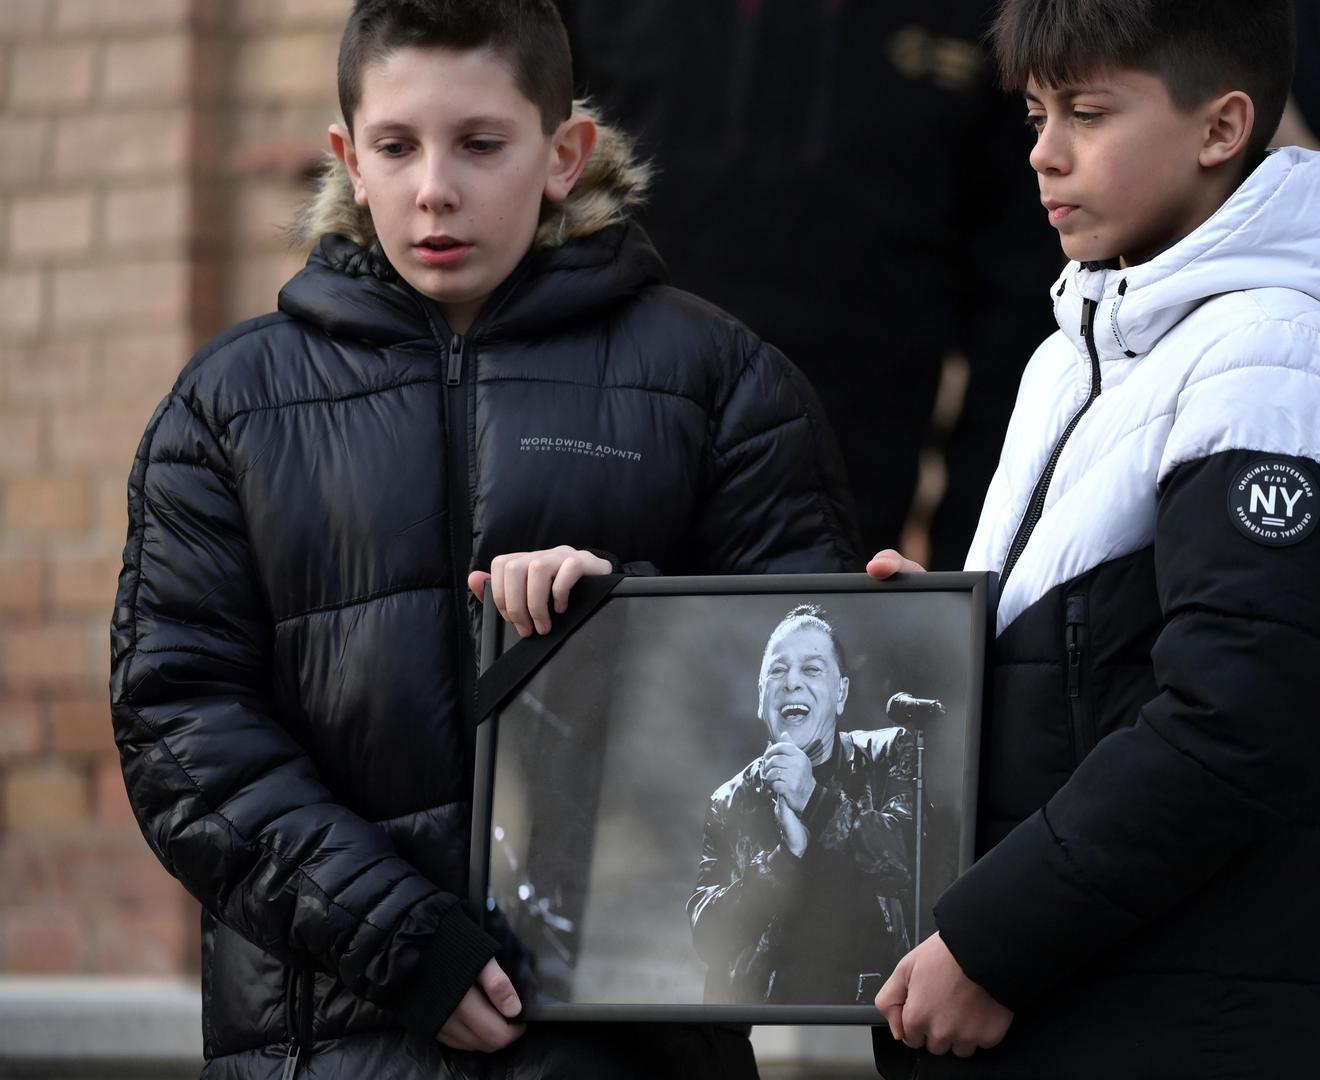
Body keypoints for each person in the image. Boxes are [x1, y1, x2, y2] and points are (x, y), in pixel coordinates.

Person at [107, 1, 858, 1077]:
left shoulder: (721, 382)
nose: (434, 189)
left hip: (626, 1054)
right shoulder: (228, 407)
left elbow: (815, 688)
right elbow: (178, 727)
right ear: (348, 161)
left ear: (565, 154)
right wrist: (399, 943)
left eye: (479, 144)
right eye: (396, 147)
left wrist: (635, 618)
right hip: (329, 1043)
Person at [865, 0, 1320, 1074]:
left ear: (1221, 128)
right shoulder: (1078, 346)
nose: (1044, 152)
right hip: (1076, 1001)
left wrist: (989, 946)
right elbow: (1097, 665)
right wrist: (949, 642)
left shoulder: (1279, 359)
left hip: (1168, 1023)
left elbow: (1237, 717)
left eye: (1087, 113)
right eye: (1035, 115)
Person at [557, 1, 1063, 563]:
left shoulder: (983, 16)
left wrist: (975, 566)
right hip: (591, 507)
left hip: (847, 525)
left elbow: (1022, 318)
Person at [689, 605, 916, 1006]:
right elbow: (708, 937)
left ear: (840, 693)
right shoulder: (730, 800)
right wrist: (785, 858)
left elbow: (906, 867)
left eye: (811, 669)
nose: (792, 682)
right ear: (761, 697)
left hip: (871, 1018)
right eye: (778, 671)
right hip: (762, 1020)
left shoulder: (888, 754)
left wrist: (814, 800)